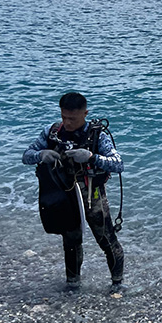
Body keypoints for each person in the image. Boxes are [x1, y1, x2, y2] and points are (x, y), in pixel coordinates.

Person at [23, 92, 125, 292]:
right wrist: (41, 154)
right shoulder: (52, 132)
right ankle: (72, 284)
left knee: (106, 239)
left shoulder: (98, 135)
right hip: (65, 197)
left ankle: (117, 283)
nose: (67, 122)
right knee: (71, 240)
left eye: (72, 118)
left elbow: (118, 164)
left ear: (85, 114)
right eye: (64, 117)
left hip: (92, 194)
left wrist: (91, 157)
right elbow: (26, 156)